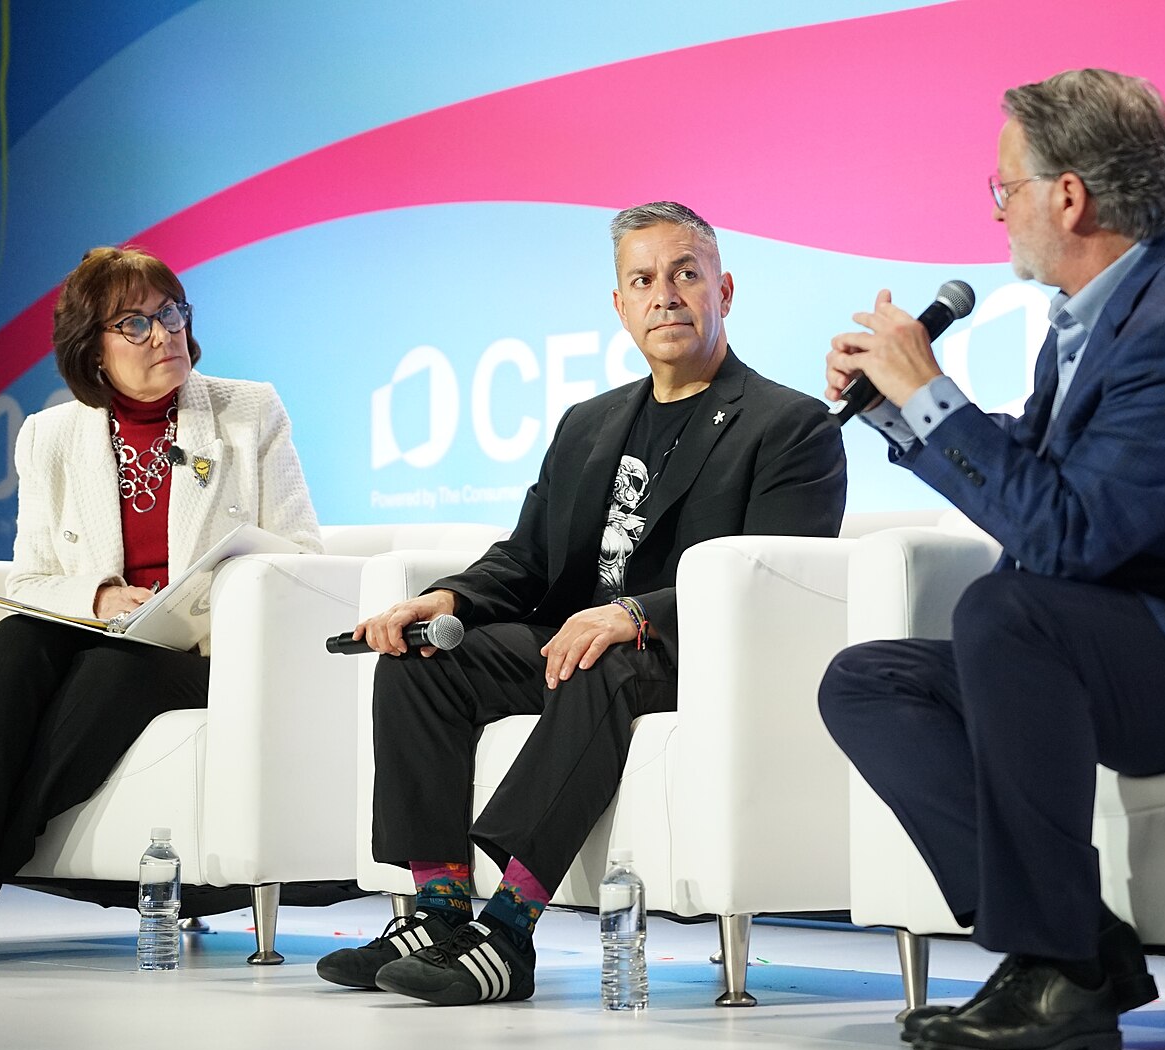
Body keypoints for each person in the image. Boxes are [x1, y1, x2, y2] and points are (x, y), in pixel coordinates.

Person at [818, 69, 1165, 1050]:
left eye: (1004, 187)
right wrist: (895, 404)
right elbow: (1058, 479)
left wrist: (932, 395)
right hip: (1132, 630)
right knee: (870, 682)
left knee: (1010, 611)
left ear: (1068, 196)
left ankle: (1053, 968)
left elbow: (1067, 536)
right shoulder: (1117, 304)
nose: (999, 210)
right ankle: (1083, 949)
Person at [315, 201, 847, 1004]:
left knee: (602, 655)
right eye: (643, 280)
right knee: (424, 661)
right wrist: (443, 597)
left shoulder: (790, 425)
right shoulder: (588, 424)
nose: (665, 294)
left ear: (724, 290)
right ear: (620, 305)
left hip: (689, 655)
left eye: (685, 274)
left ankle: (508, 933)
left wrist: (635, 613)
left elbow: (767, 576)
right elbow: (527, 559)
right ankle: (440, 911)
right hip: (574, 645)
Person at [0, 246, 323, 964]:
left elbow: (302, 556)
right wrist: (97, 594)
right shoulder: (52, 435)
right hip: (106, 626)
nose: (165, 335)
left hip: (206, 649)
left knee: (110, 675)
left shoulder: (248, 412)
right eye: (136, 324)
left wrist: (201, 595)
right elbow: (31, 579)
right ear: (92, 351)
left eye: (171, 314)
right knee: (9, 645)